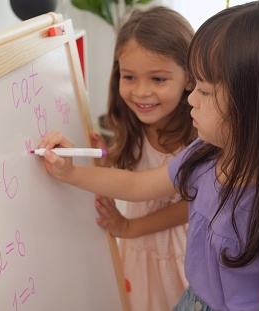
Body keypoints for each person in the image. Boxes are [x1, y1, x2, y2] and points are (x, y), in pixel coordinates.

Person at [38, 0, 259, 310]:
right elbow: (138, 186)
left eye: (203, 91)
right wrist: (70, 173)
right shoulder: (205, 156)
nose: (190, 98)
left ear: (257, 105)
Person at [88, 6, 196, 311]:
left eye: (158, 79)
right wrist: (101, 167)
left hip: (180, 257)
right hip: (135, 253)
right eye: (130, 77)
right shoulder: (130, 129)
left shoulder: (197, 140)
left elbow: (193, 206)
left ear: (189, 78)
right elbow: (126, 178)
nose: (141, 92)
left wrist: (128, 228)